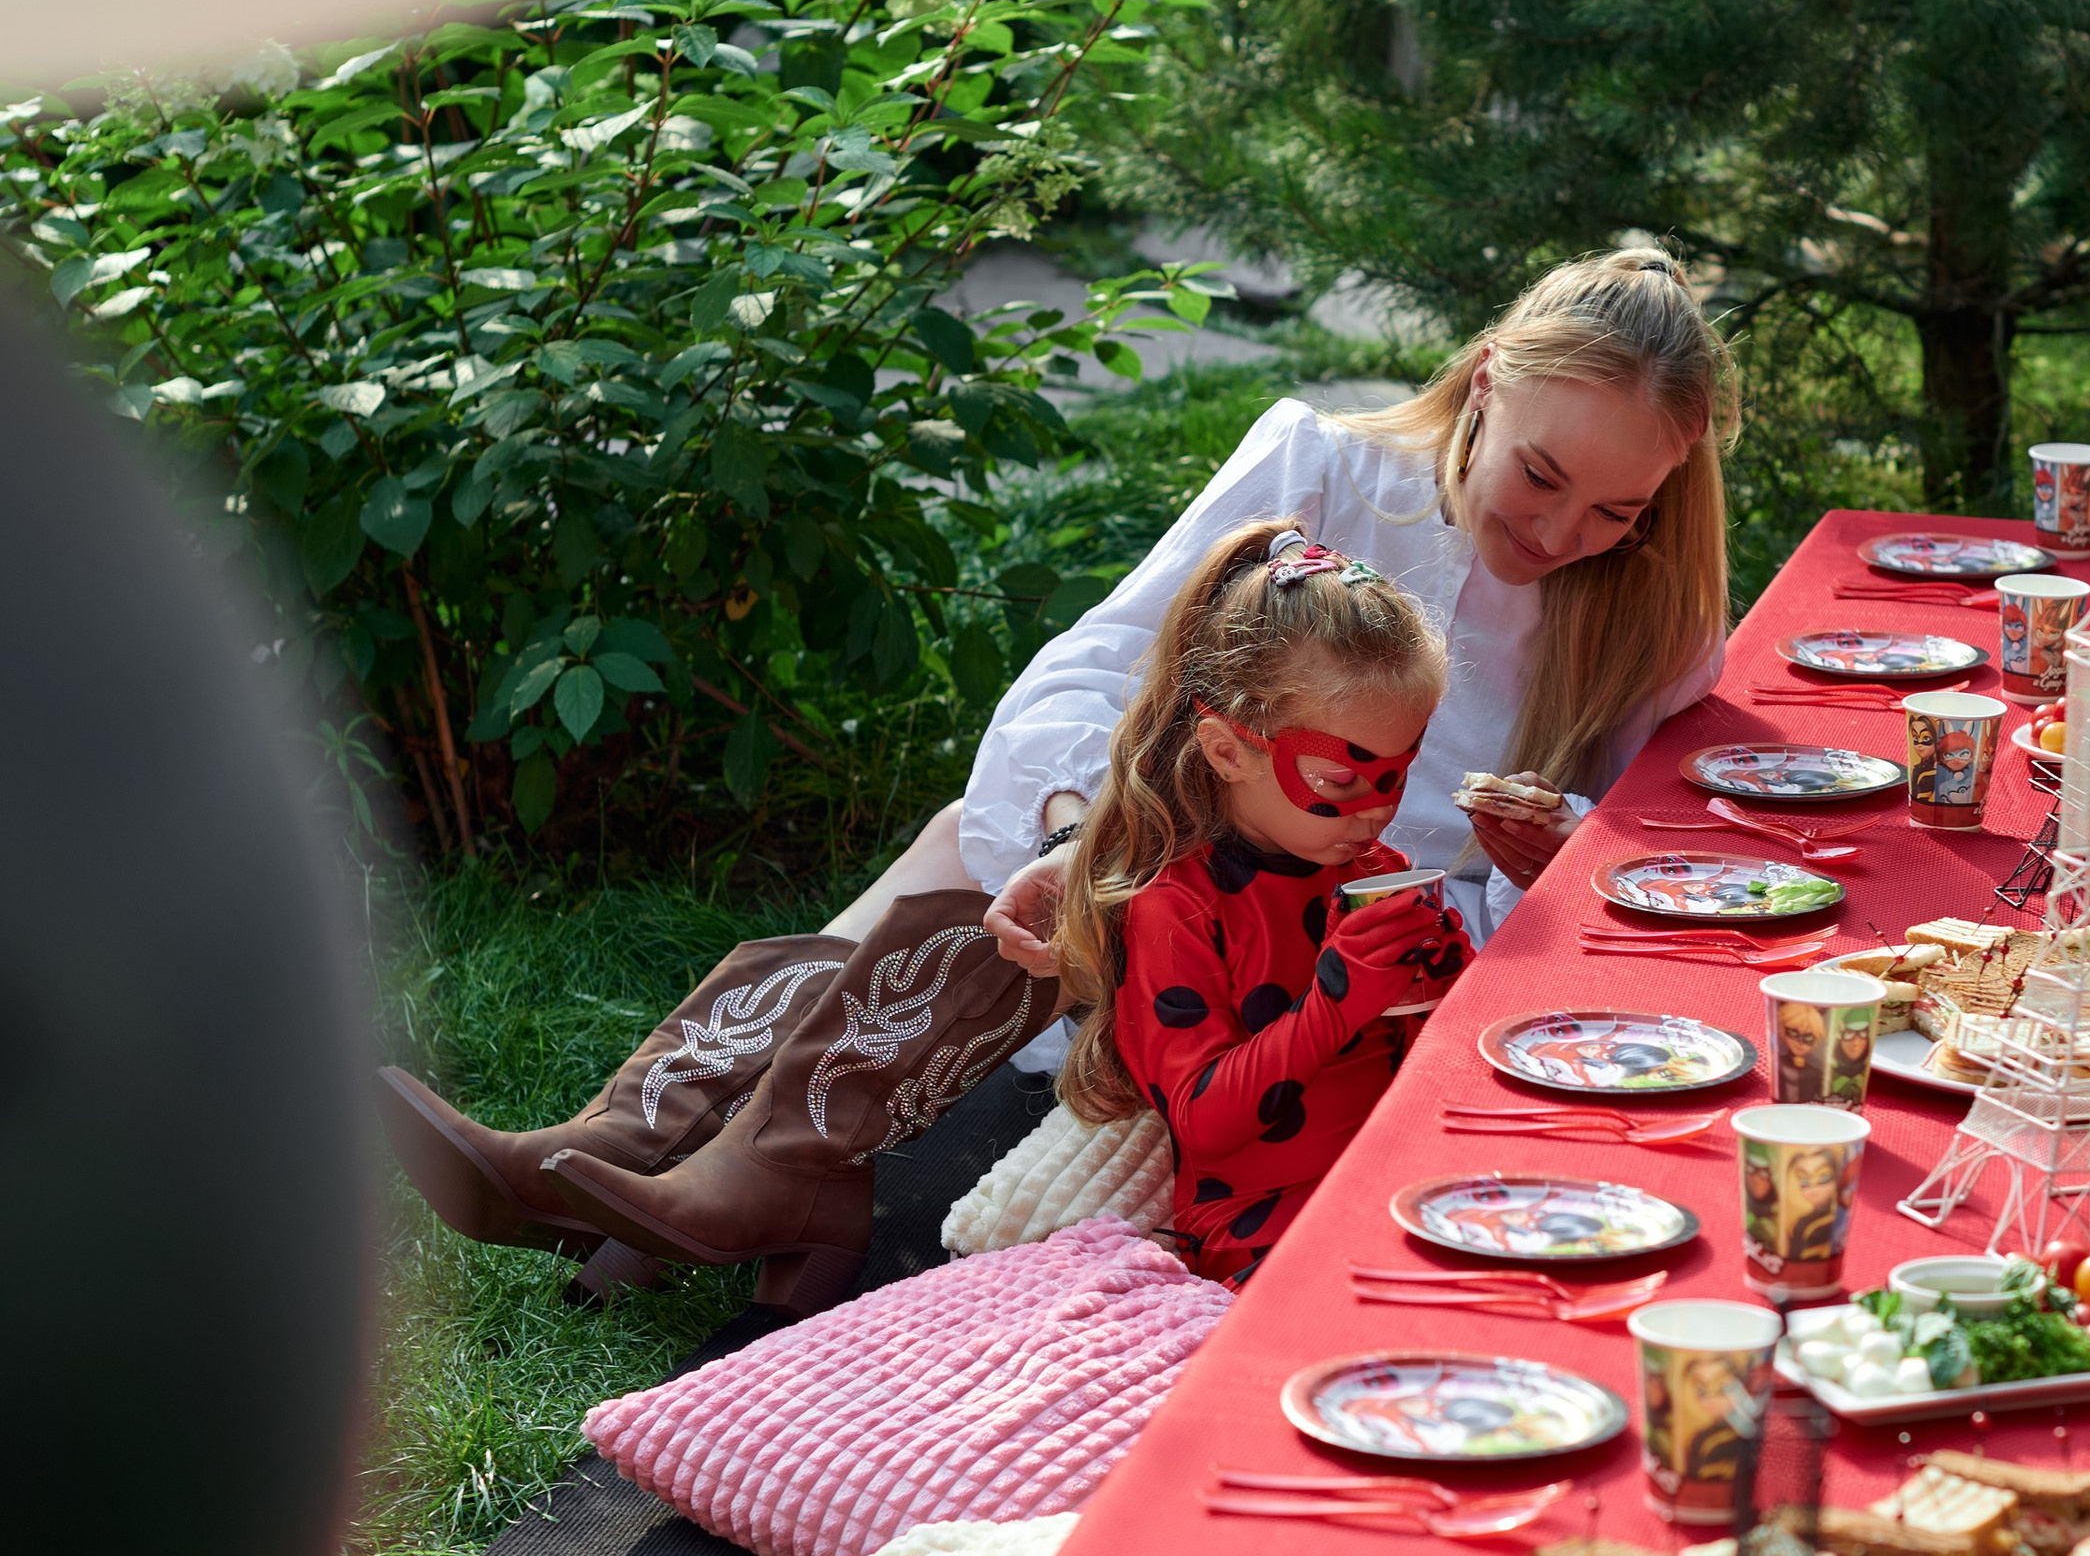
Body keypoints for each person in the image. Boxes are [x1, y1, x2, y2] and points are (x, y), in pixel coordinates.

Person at [377, 238, 1737, 1291]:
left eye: (1618, 508)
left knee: (1043, 856)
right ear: (1489, 374)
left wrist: (1542, 865)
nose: (1564, 529)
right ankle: (647, 1153)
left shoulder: (1640, 619)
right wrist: (1083, 826)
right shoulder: (1322, 468)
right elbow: (1102, 668)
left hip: (1347, 966)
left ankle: (695, 1161)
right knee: (1033, 828)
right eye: (1544, 475)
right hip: (1190, 878)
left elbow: (1641, 879)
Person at [1049, 521, 1465, 1286]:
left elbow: (1429, 1058)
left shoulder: (1372, 868)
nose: (1374, 813)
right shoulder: (1175, 908)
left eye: (1396, 775)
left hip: (1407, 1184)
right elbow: (1204, 1120)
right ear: (1228, 751)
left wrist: (1447, 974)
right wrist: (1336, 1005)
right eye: (1341, 782)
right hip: (1265, 1228)